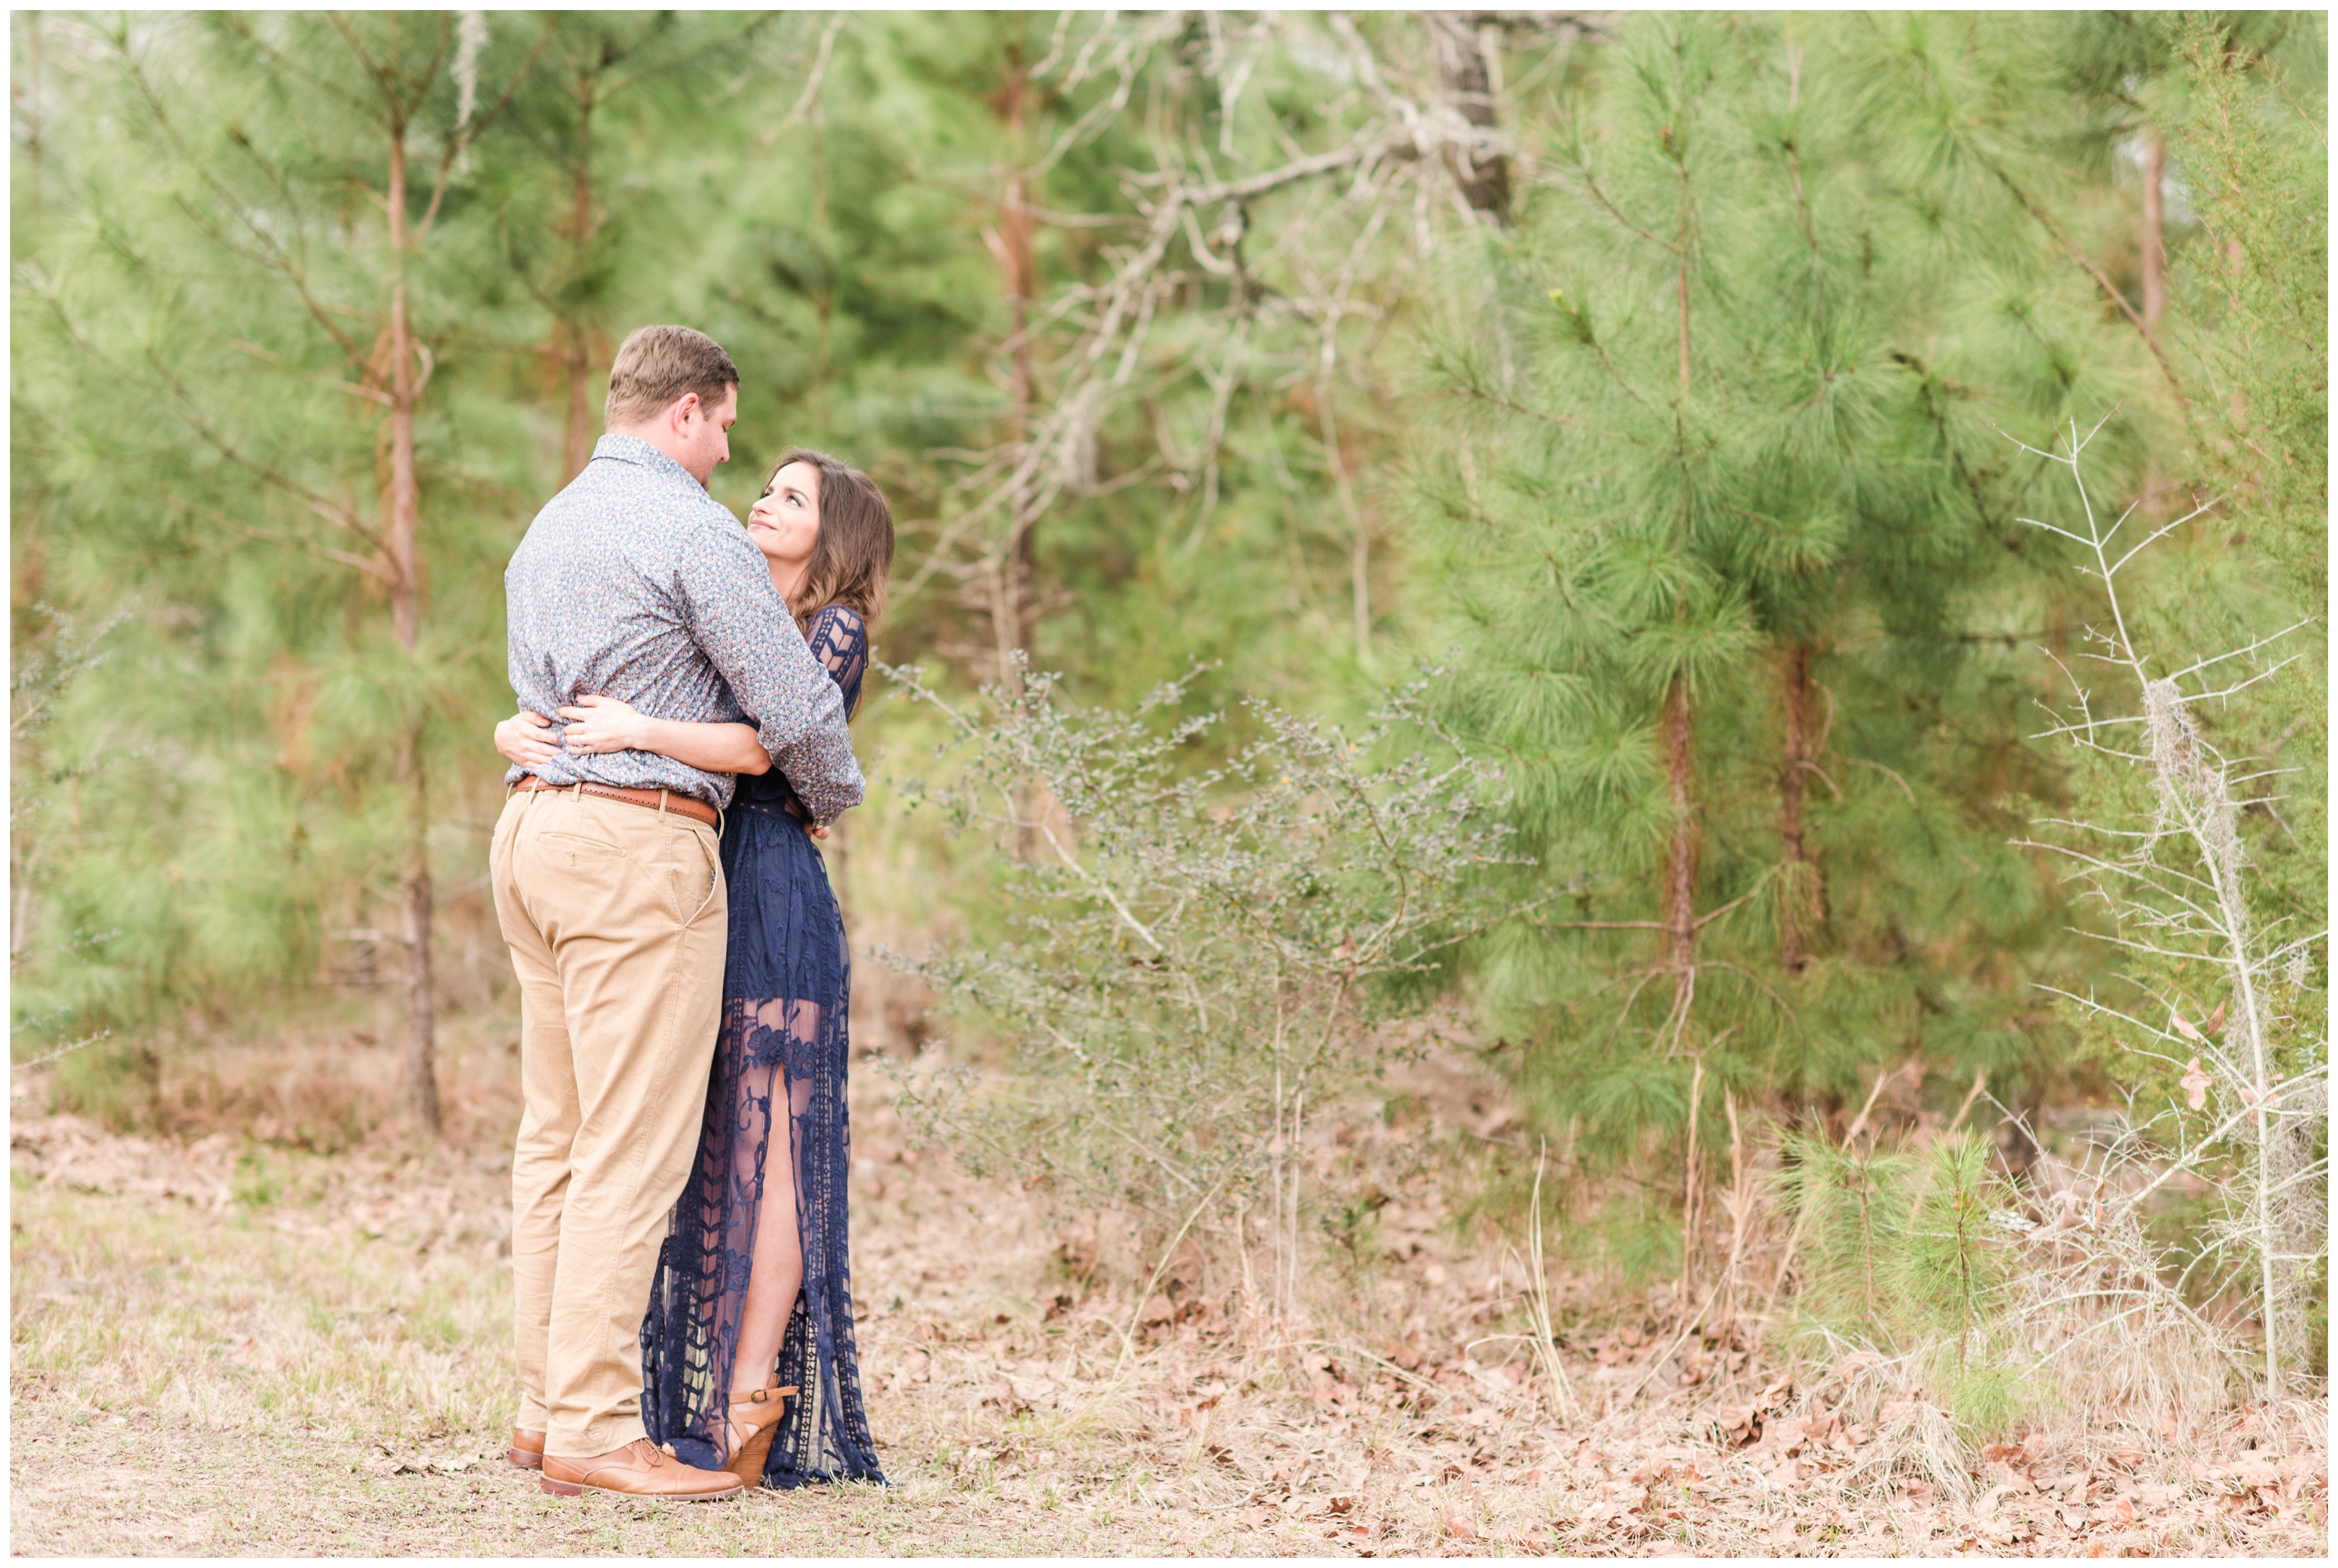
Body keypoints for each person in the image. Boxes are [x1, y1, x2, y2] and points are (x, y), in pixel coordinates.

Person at [489, 327, 864, 1504]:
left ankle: (544, 1407)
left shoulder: (551, 523)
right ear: (689, 413)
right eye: (729, 429)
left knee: (553, 1138)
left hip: (533, 835)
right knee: (628, 1144)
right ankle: (598, 1431)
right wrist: (836, 790)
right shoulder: (693, 530)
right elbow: (797, 706)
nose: (732, 455)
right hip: (632, 850)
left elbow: (532, 700)